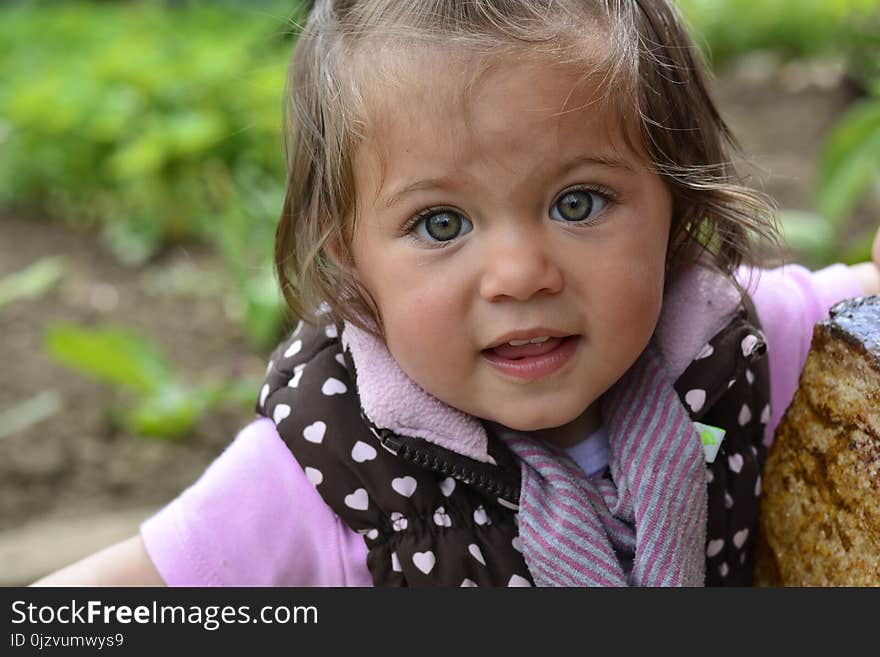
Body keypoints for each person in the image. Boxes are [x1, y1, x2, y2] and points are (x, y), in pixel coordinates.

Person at [36, 0, 880, 587]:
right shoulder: (324, 469)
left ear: (672, 204)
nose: (519, 275)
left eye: (577, 203)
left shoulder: (732, 344)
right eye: (441, 224)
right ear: (351, 255)